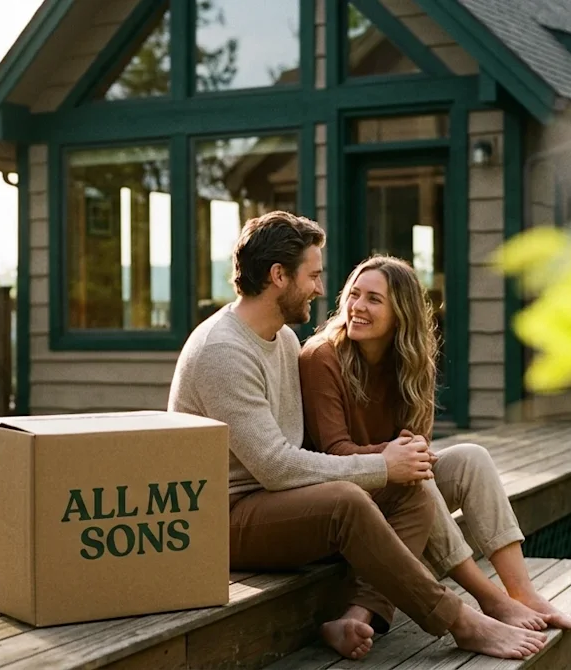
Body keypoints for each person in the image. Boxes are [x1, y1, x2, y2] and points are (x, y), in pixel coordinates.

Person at [168, 212, 546, 662]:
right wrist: (381, 464)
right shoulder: (223, 351)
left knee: (409, 489)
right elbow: (275, 466)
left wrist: (393, 468)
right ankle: (459, 620)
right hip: (224, 517)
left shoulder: (282, 339)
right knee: (349, 499)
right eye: (313, 275)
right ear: (277, 276)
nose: (321, 290)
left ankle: (361, 613)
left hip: (275, 504)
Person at [298, 254, 571, 634]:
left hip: (395, 498)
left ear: (402, 313)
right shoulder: (322, 356)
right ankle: (489, 598)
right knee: (414, 477)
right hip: (344, 502)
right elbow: (333, 453)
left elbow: (419, 449)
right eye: (354, 295)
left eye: (373, 299)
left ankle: (522, 592)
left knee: (470, 458)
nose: (357, 307)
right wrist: (391, 458)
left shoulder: (410, 364)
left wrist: (403, 459)